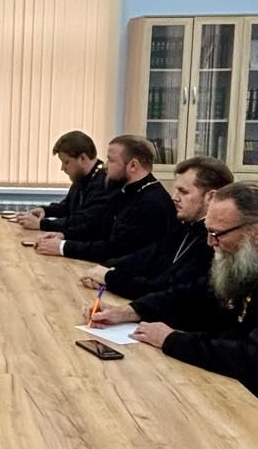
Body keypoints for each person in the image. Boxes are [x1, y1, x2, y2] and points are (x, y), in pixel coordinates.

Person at [90, 183, 258, 435]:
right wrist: (130, 311)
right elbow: (193, 296)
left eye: (216, 234)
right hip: (251, 395)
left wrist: (172, 340)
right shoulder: (252, 263)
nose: (210, 243)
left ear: (257, 234)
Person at [79, 156, 233, 313]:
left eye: (183, 192)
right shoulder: (186, 226)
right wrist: (105, 268)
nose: (174, 197)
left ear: (211, 197)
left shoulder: (216, 242)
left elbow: (165, 288)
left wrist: (108, 277)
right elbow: (147, 257)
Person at [36, 134, 174, 263]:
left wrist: (63, 247)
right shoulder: (124, 191)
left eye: (111, 160)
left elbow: (116, 250)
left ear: (133, 165)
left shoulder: (152, 202)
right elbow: (96, 229)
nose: (105, 165)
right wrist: (63, 236)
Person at [14, 131, 109, 238]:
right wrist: (46, 211)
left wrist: (42, 224)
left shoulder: (103, 182)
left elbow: (83, 220)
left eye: (66, 162)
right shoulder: (82, 177)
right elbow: (67, 206)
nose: (62, 168)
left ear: (82, 158)